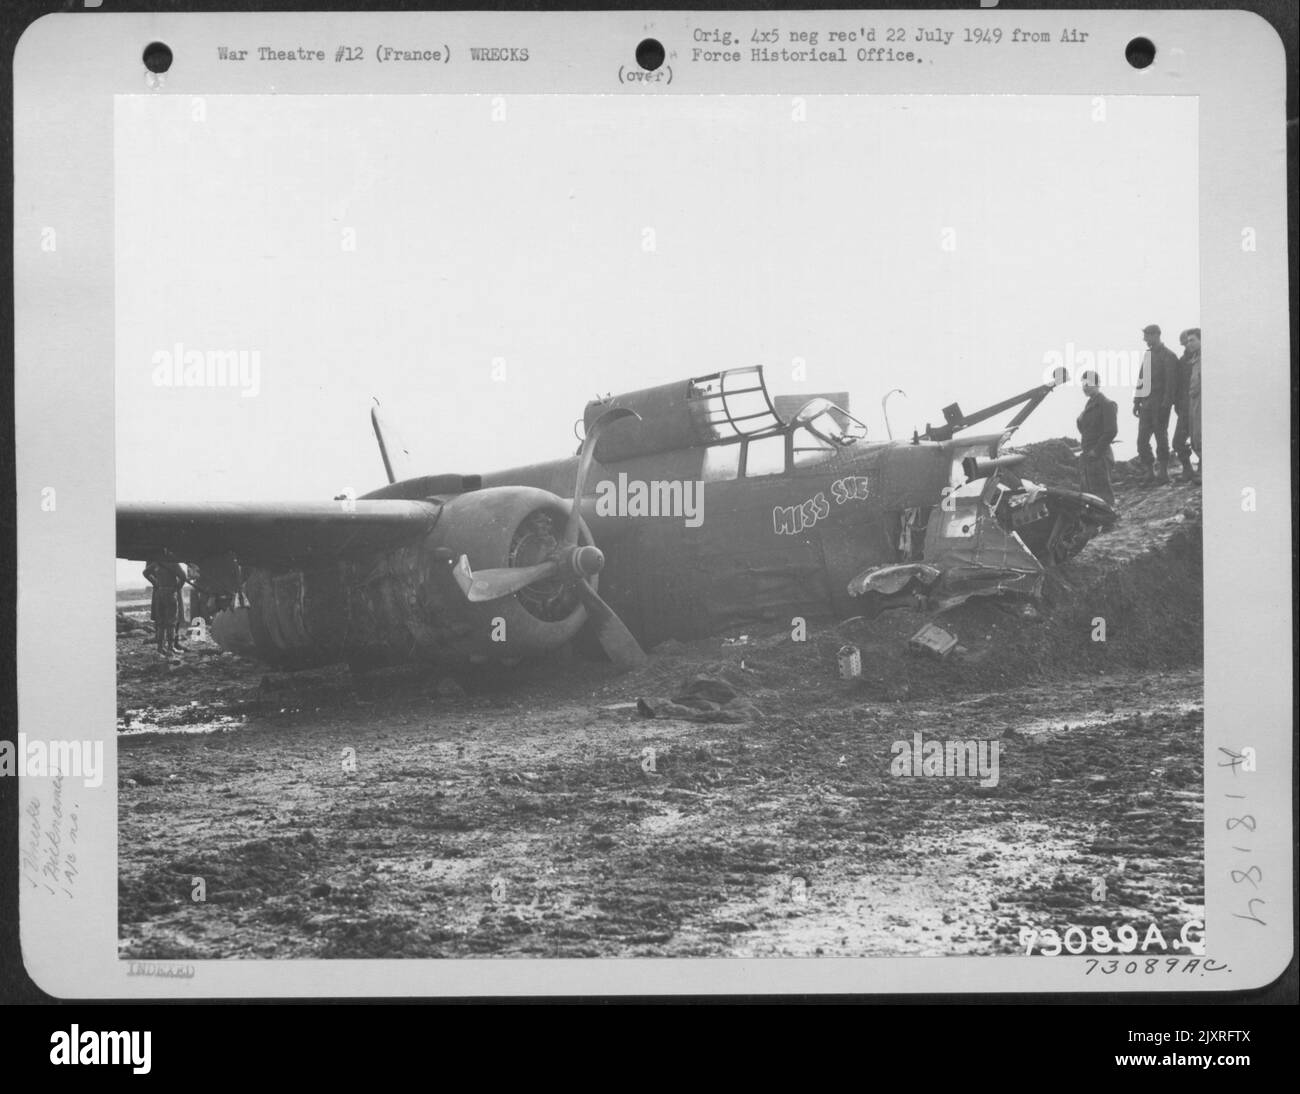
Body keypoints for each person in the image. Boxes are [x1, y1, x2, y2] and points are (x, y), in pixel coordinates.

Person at [1133, 323, 1178, 485]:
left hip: (1160, 404)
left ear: (1156, 335)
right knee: (1142, 440)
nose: (1144, 339)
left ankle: (1163, 473)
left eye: (1147, 335)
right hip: (1146, 404)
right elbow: (1141, 379)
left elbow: (1171, 384)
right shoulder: (1148, 355)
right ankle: (1149, 473)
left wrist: (1166, 405)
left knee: (1161, 438)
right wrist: (1136, 401)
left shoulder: (1169, 356)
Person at [1077, 370, 1118, 507]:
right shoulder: (1089, 405)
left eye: (1088, 384)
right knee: (1089, 492)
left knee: (1103, 493)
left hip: (1100, 455)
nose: (1085, 387)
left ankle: (1109, 521)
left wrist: (1097, 450)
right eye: (1083, 384)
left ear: (1097, 384)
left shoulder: (1106, 404)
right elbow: (1085, 429)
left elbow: (1111, 431)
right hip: (1089, 454)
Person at [143, 551, 189, 657]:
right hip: (170, 593)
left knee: (161, 622)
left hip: (159, 593)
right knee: (171, 622)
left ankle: (160, 648)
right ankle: (170, 648)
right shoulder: (173, 563)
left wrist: (155, 582)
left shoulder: (156, 563)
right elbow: (183, 577)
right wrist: (177, 587)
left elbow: (145, 573)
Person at [1170, 329, 1199, 482]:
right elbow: (1177, 385)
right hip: (1185, 408)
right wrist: (1177, 404)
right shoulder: (1182, 362)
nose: (1186, 346)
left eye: (1189, 342)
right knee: (1177, 441)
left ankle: (1202, 469)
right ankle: (1187, 469)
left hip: (1199, 406)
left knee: (1200, 439)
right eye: (1184, 344)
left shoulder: (1202, 360)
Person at [1185, 328, 1202, 482]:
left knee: (1200, 434)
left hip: (1202, 401)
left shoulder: (1205, 360)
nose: (1189, 343)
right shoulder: (1195, 359)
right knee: (1195, 435)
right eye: (1188, 340)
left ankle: (1204, 472)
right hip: (1194, 400)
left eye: (1192, 340)